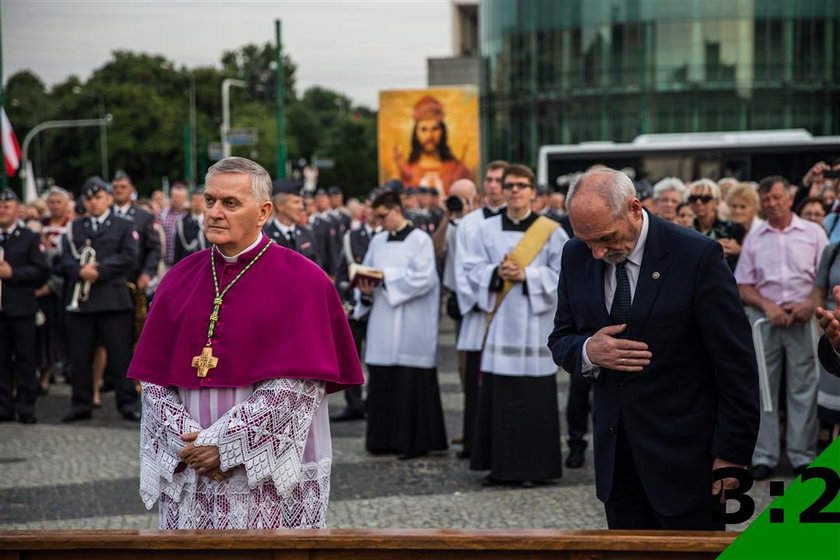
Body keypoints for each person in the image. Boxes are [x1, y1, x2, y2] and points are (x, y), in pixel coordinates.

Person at [127, 157, 363, 529]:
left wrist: (225, 445)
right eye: (209, 201)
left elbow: (297, 385)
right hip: (193, 466)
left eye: (230, 203)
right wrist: (189, 445)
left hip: (263, 472)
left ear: (263, 211)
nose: (215, 213)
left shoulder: (304, 281)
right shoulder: (178, 279)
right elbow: (154, 379)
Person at [549, 167, 760, 531]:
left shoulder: (696, 255)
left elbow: (735, 363)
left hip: (687, 460)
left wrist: (732, 452)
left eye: (605, 238)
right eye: (587, 241)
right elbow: (561, 338)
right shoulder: (575, 255)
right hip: (617, 461)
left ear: (633, 208)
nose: (597, 252)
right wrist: (588, 351)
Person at [465, 164, 569, 487]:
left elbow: (563, 276)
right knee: (500, 397)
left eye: (521, 185)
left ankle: (535, 469)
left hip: (534, 326)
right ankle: (500, 468)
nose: (514, 191)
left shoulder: (551, 231)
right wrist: (496, 274)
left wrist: (527, 276)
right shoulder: (486, 229)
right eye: (509, 185)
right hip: (500, 323)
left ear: (532, 191)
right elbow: (470, 268)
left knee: (532, 399)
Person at [735, 175, 828, 481]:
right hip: (766, 320)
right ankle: (764, 456)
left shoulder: (813, 232)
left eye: (777, 198)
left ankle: (802, 456)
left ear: (789, 197)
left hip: (803, 317)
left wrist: (811, 303)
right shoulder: (756, 237)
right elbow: (743, 283)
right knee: (764, 389)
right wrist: (767, 306)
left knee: (804, 386)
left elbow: (824, 276)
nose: (772, 204)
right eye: (766, 200)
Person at [354, 190, 447, 460]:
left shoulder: (420, 240)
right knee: (383, 379)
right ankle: (383, 440)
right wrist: (366, 287)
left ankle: (414, 442)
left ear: (396, 210)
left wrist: (387, 277)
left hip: (413, 322)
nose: (379, 222)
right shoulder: (378, 240)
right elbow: (369, 272)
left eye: (382, 216)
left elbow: (425, 279)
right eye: (375, 217)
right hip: (383, 319)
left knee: (411, 381)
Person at [61, 179, 141, 422]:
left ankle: (127, 403)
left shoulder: (123, 225)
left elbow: (130, 256)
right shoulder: (75, 227)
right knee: (79, 356)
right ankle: (80, 404)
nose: (93, 202)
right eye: (89, 198)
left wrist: (100, 270)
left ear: (108, 198)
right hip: (82, 303)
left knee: (120, 355)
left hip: (112, 300)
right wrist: (79, 271)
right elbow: (62, 260)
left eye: (98, 198)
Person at [452, 160, 507, 458]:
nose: (494, 185)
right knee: (476, 383)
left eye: (500, 180)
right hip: (479, 312)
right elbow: (462, 269)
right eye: (489, 179)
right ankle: (476, 443)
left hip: (512, 313)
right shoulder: (469, 224)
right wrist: (481, 299)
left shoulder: (526, 225)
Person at [0, 189, 49, 423]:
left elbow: (40, 271)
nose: (2, 210)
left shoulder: (28, 237)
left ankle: (26, 407)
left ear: (17, 210)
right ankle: (4, 406)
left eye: (6, 206)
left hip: (21, 309)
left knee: (25, 360)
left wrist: (13, 273)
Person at [332, 197, 379, 422]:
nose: (371, 212)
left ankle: (374, 401)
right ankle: (354, 403)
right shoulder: (352, 236)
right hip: (355, 304)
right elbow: (342, 271)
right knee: (352, 355)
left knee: (376, 357)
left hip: (381, 304)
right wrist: (344, 295)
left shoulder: (386, 236)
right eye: (368, 206)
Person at [393, 95, 474, 194]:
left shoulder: (456, 168)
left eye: (435, 129)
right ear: (416, 134)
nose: (429, 136)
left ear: (442, 132)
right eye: (424, 129)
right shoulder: (408, 170)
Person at [111, 170, 161, 295]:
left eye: (123, 187)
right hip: (109, 278)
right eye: (115, 187)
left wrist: (147, 272)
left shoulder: (144, 216)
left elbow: (154, 247)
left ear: (131, 190)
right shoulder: (106, 214)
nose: (119, 190)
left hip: (135, 278)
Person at [689, 179, 746, 271]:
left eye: (705, 198)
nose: (698, 202)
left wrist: (739, 250)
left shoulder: (734, 228)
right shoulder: (685, 231)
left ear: (717, 202)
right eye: (693, 199)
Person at [263, 179, 318, 263]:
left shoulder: (307, 233)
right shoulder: (264, 237)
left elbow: (317, 268)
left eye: (301, 202)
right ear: (280, 205)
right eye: (296, 202)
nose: (301, 207)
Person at [159, 183, 188, 272]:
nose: (176, 199)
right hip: (164, 262)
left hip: (182, 262)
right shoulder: (163, 213)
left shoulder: (187, 215)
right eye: (174, 196)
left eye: (179, 197)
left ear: (184, 198)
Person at [174, 191, 207, 264]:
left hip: (207, 263)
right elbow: (178, 248)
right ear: (190, 203)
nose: (198, 203)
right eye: (195, 200)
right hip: (188, 263)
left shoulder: (210, 222)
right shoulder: (183, 223)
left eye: (201, 200)